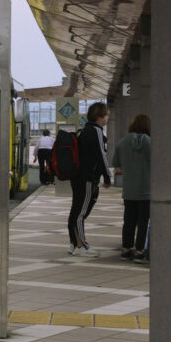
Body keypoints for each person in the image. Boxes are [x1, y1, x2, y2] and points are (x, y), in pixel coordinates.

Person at [68, 102, 111, 257]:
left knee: (75, 210)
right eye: (106, 115)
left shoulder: (84, 130)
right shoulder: (96, 130)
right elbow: (102, 155)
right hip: (87, 178)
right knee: (81, 212)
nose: (107, 118)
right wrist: (107, 176)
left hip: (77, 177)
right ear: (99, 116)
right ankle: (82, 246)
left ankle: (74, 243)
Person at [112, 113, 151, 264]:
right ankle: (140, 252)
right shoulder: (150, 142)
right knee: (143, 222)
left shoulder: (123, 142)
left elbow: (116, 163)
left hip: (129, 190)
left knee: (128, 221)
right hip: (146, 190)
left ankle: (126, 250)